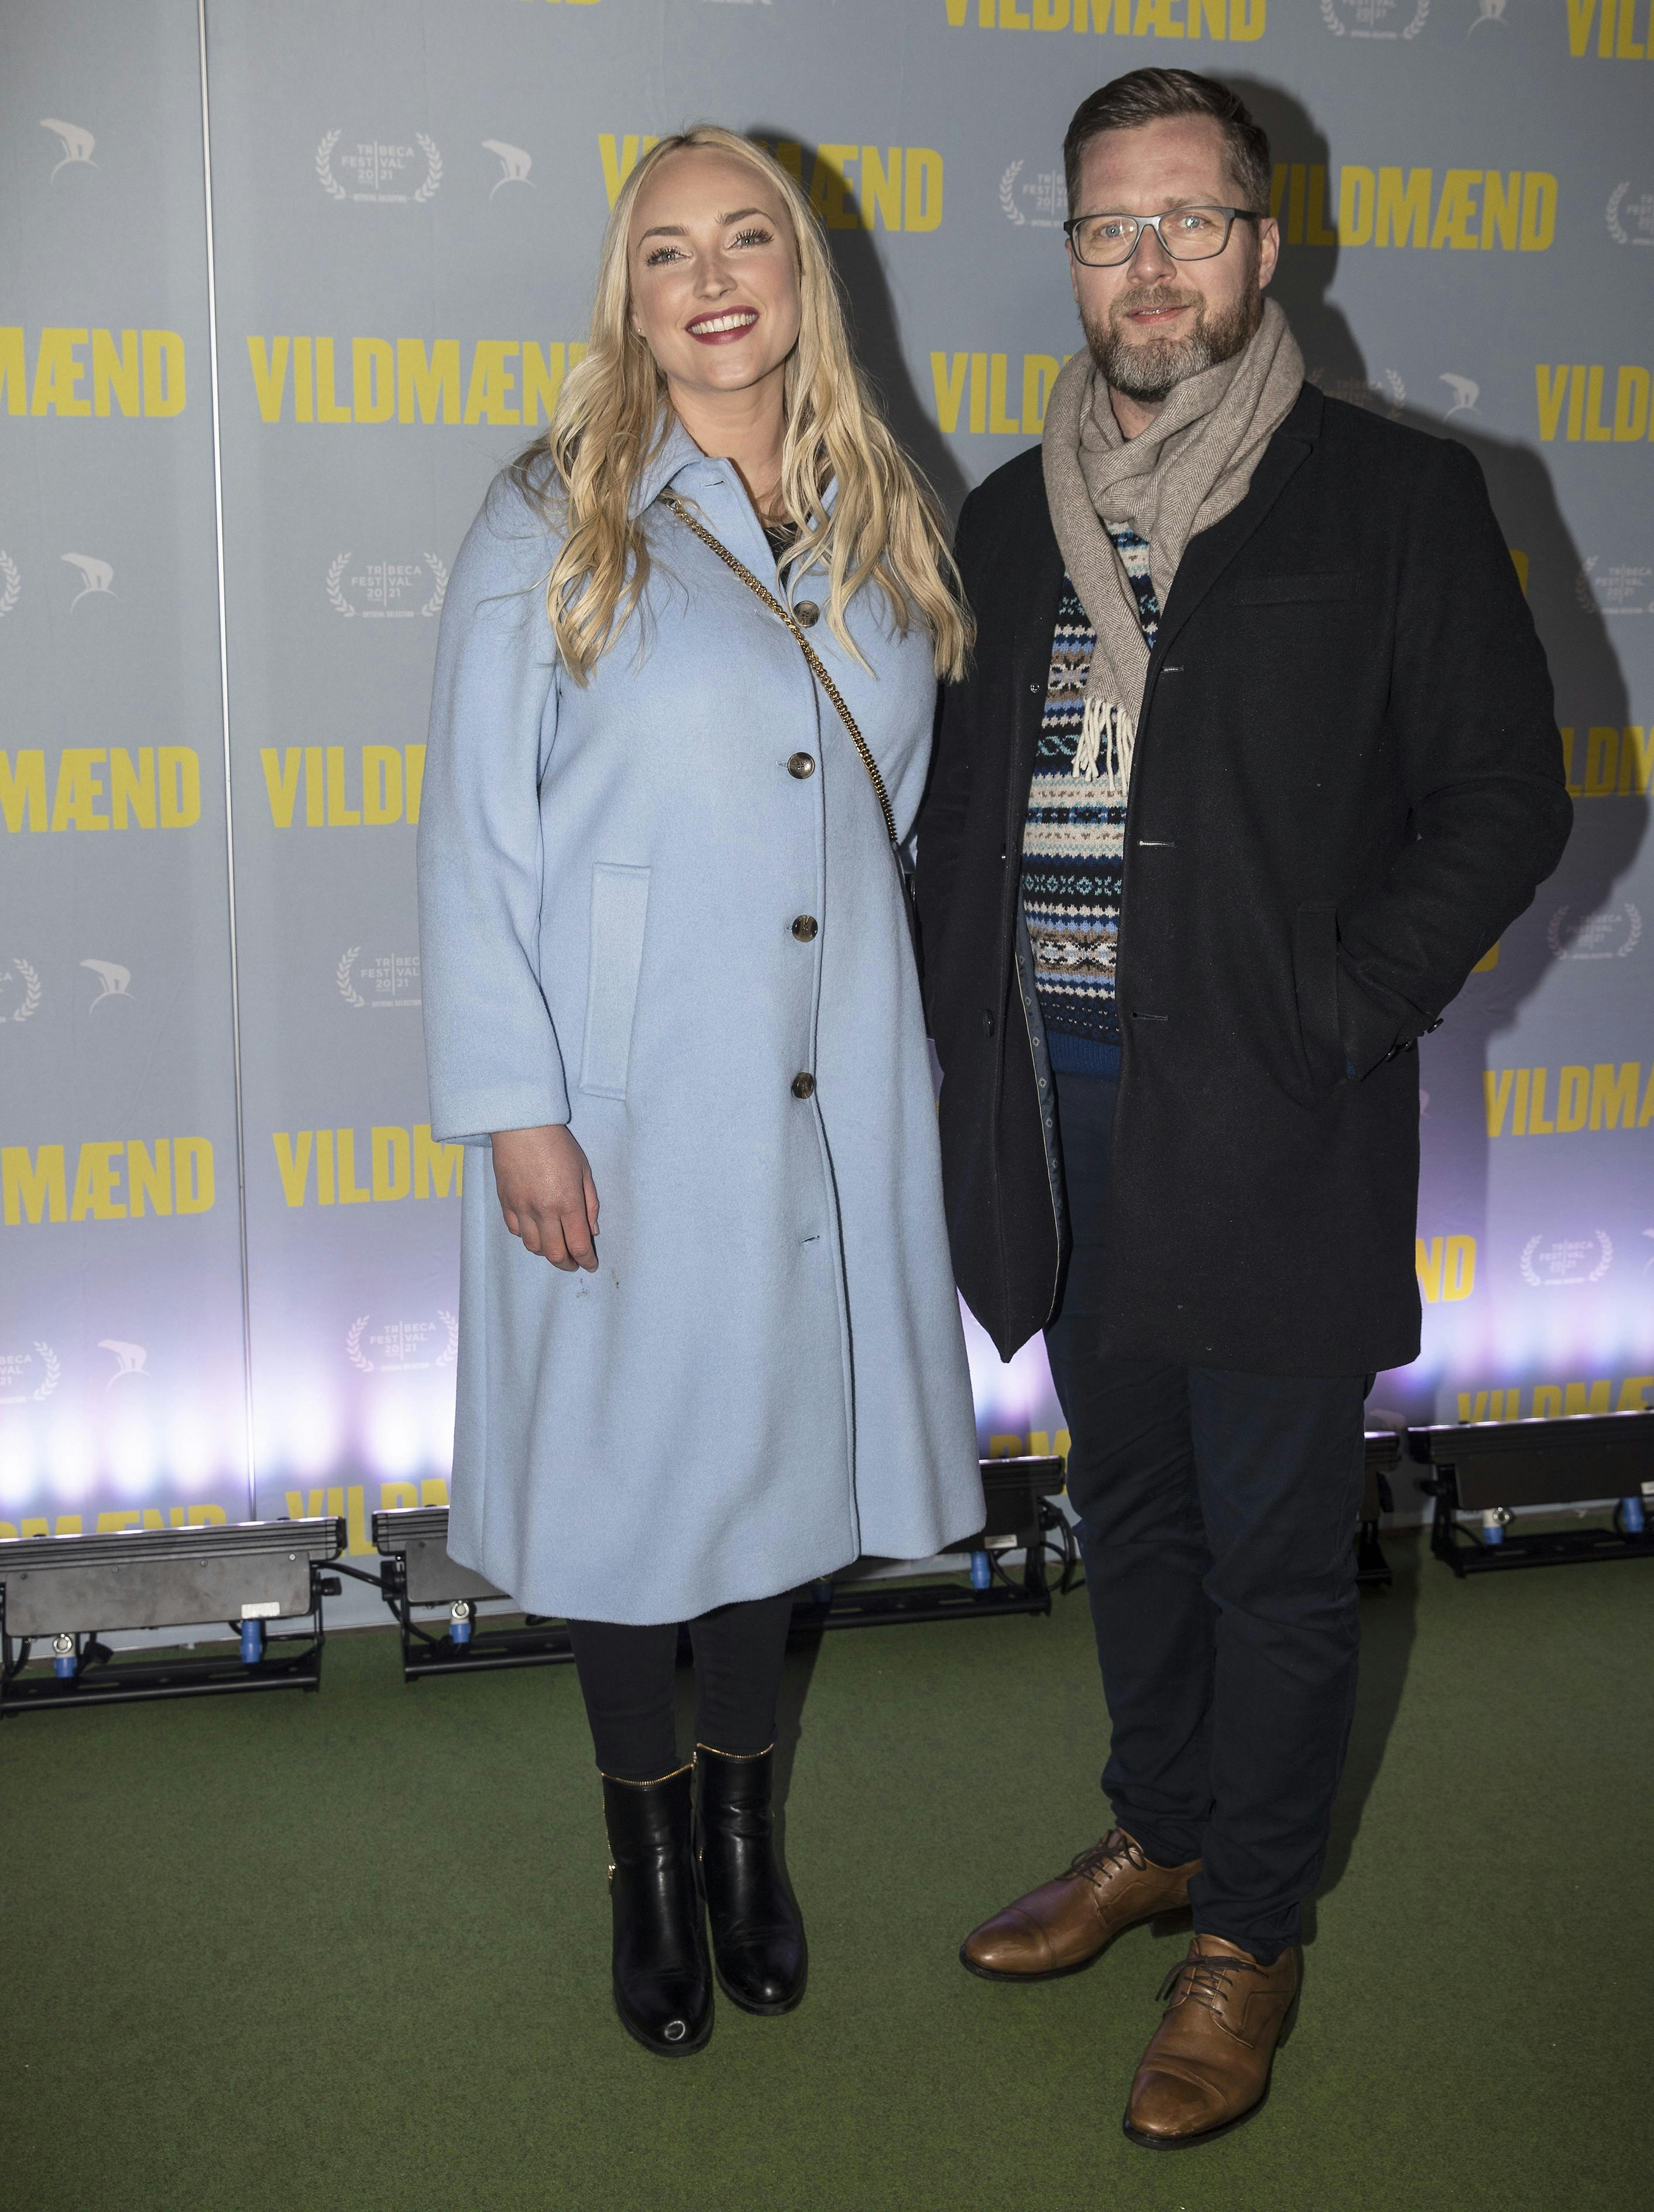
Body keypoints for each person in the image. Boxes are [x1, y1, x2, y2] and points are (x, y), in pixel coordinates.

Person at [916, 69, 1570, 2148]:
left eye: (1189, 222)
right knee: (1133, 1522)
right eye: (1110, 227)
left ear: (1264, 249)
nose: (1148, 265)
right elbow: (957, 818)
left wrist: (1344, 1007)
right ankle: (1162, 1833)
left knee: (1282, 1560)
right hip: (1059, 1115)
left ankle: (1249, 1931)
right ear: (1074, 254)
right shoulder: (1007, 513)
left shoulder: (1393, 495)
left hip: (1273, 1122)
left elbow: (1502, 800)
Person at [417, 126, 983, 2059]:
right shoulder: (547, 511)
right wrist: (517, 1102)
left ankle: (748, 1836)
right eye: (670, 251)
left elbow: (884, 822)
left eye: (750, 238)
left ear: (801, 276)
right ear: (630, 295)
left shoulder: (882, 507)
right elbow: (473, 837)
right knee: (621, 1481)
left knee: (764, 1471)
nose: (715, 276)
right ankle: (644, 1867)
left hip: (821, 1093)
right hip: (621, 1091)